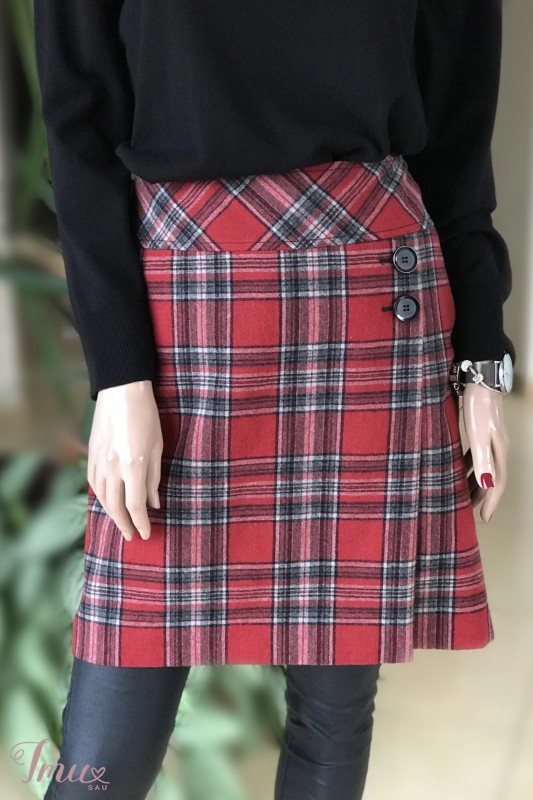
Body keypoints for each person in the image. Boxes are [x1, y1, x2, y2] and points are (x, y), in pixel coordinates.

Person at [34, 1, 514, 798]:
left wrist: (481, 363)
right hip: (184, 318)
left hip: (372, 304)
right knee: (102, 760)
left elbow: (459, 145)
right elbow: (77, 128)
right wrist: (118, 372)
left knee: (333, 718)